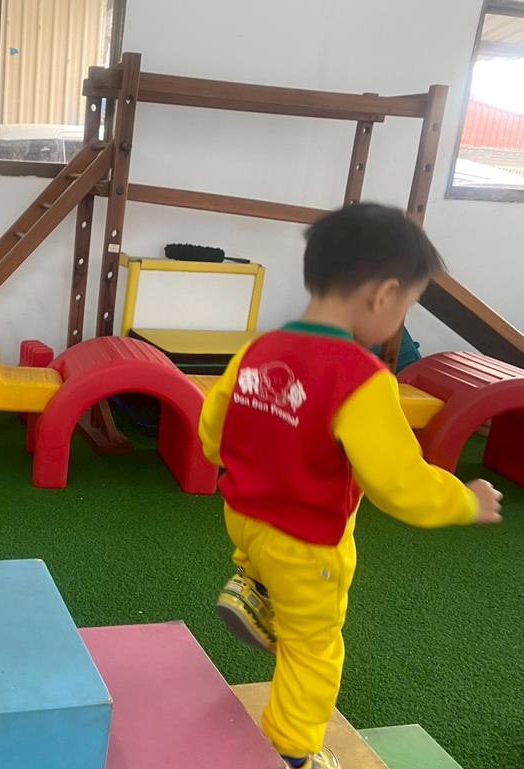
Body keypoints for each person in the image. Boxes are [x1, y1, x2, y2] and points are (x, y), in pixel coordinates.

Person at [198, 203, 502, 769]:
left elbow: (213, 431)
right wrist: (467, 501)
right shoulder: (361, 380)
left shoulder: (257, 352)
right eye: (408, 306)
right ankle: (292, 751)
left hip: (245, 517)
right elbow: (400, 483)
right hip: (308, 541)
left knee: (270, 561)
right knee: (313, 647)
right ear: (384, 296)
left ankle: (252, 587)